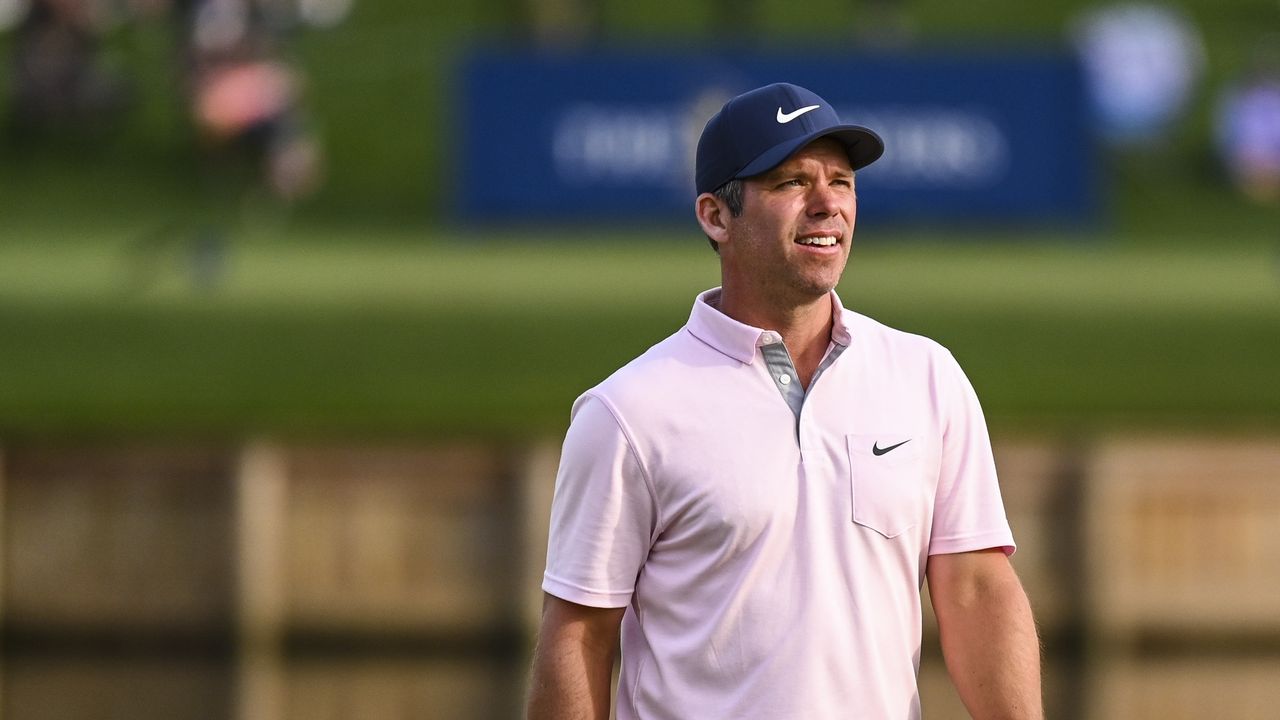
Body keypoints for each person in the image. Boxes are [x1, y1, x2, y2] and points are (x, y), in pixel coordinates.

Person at [526, 82, 1042, 720]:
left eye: (843, 181)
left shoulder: (926, 375)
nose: (828, 204)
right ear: (717, 216)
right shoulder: (627, 412)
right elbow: (579, 634)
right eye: (792, 182)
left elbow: (975, 588)